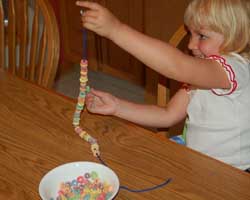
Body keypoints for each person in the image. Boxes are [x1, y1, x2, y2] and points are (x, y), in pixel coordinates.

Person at [76, 0, 250, 171]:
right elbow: (167, 115)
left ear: (235, 35)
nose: (190, 45)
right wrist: (117, 107)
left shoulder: (235, 68)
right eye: (190, 34)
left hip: (235, 174)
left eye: (202, 36)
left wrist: (116, 30)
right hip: (198, 161)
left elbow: (178, 67)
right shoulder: (203, 77)